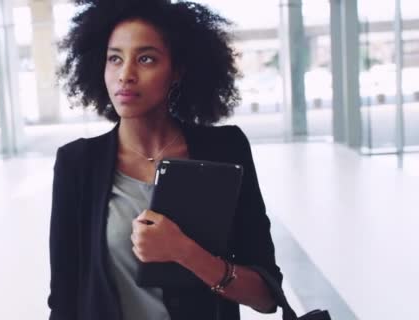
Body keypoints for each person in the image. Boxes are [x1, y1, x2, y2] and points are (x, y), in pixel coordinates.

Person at [48, 1, 282, 319]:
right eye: (114, 58)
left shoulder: (225, 149)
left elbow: (266, 297)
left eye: (146, 58)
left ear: (178, 70)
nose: (125, 75)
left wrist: (184, 252)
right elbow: (65, 298)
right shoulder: (77, 164)